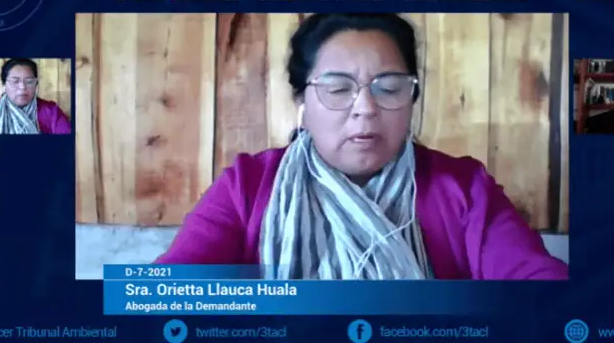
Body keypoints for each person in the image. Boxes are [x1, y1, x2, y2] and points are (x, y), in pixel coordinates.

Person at [155, 14, 567, 280]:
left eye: (389, 88)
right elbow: (169, 295)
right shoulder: (247, 186)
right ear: (301, 102)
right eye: (338, 89)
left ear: (411, 98)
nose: (366, 109)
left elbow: (539, 286)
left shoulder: (464, 188)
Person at [0, 59, 71, 135]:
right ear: (4, 85)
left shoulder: (51, 111)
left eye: (29, 81)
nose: (22, 87)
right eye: (15, 81)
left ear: (36, 84)